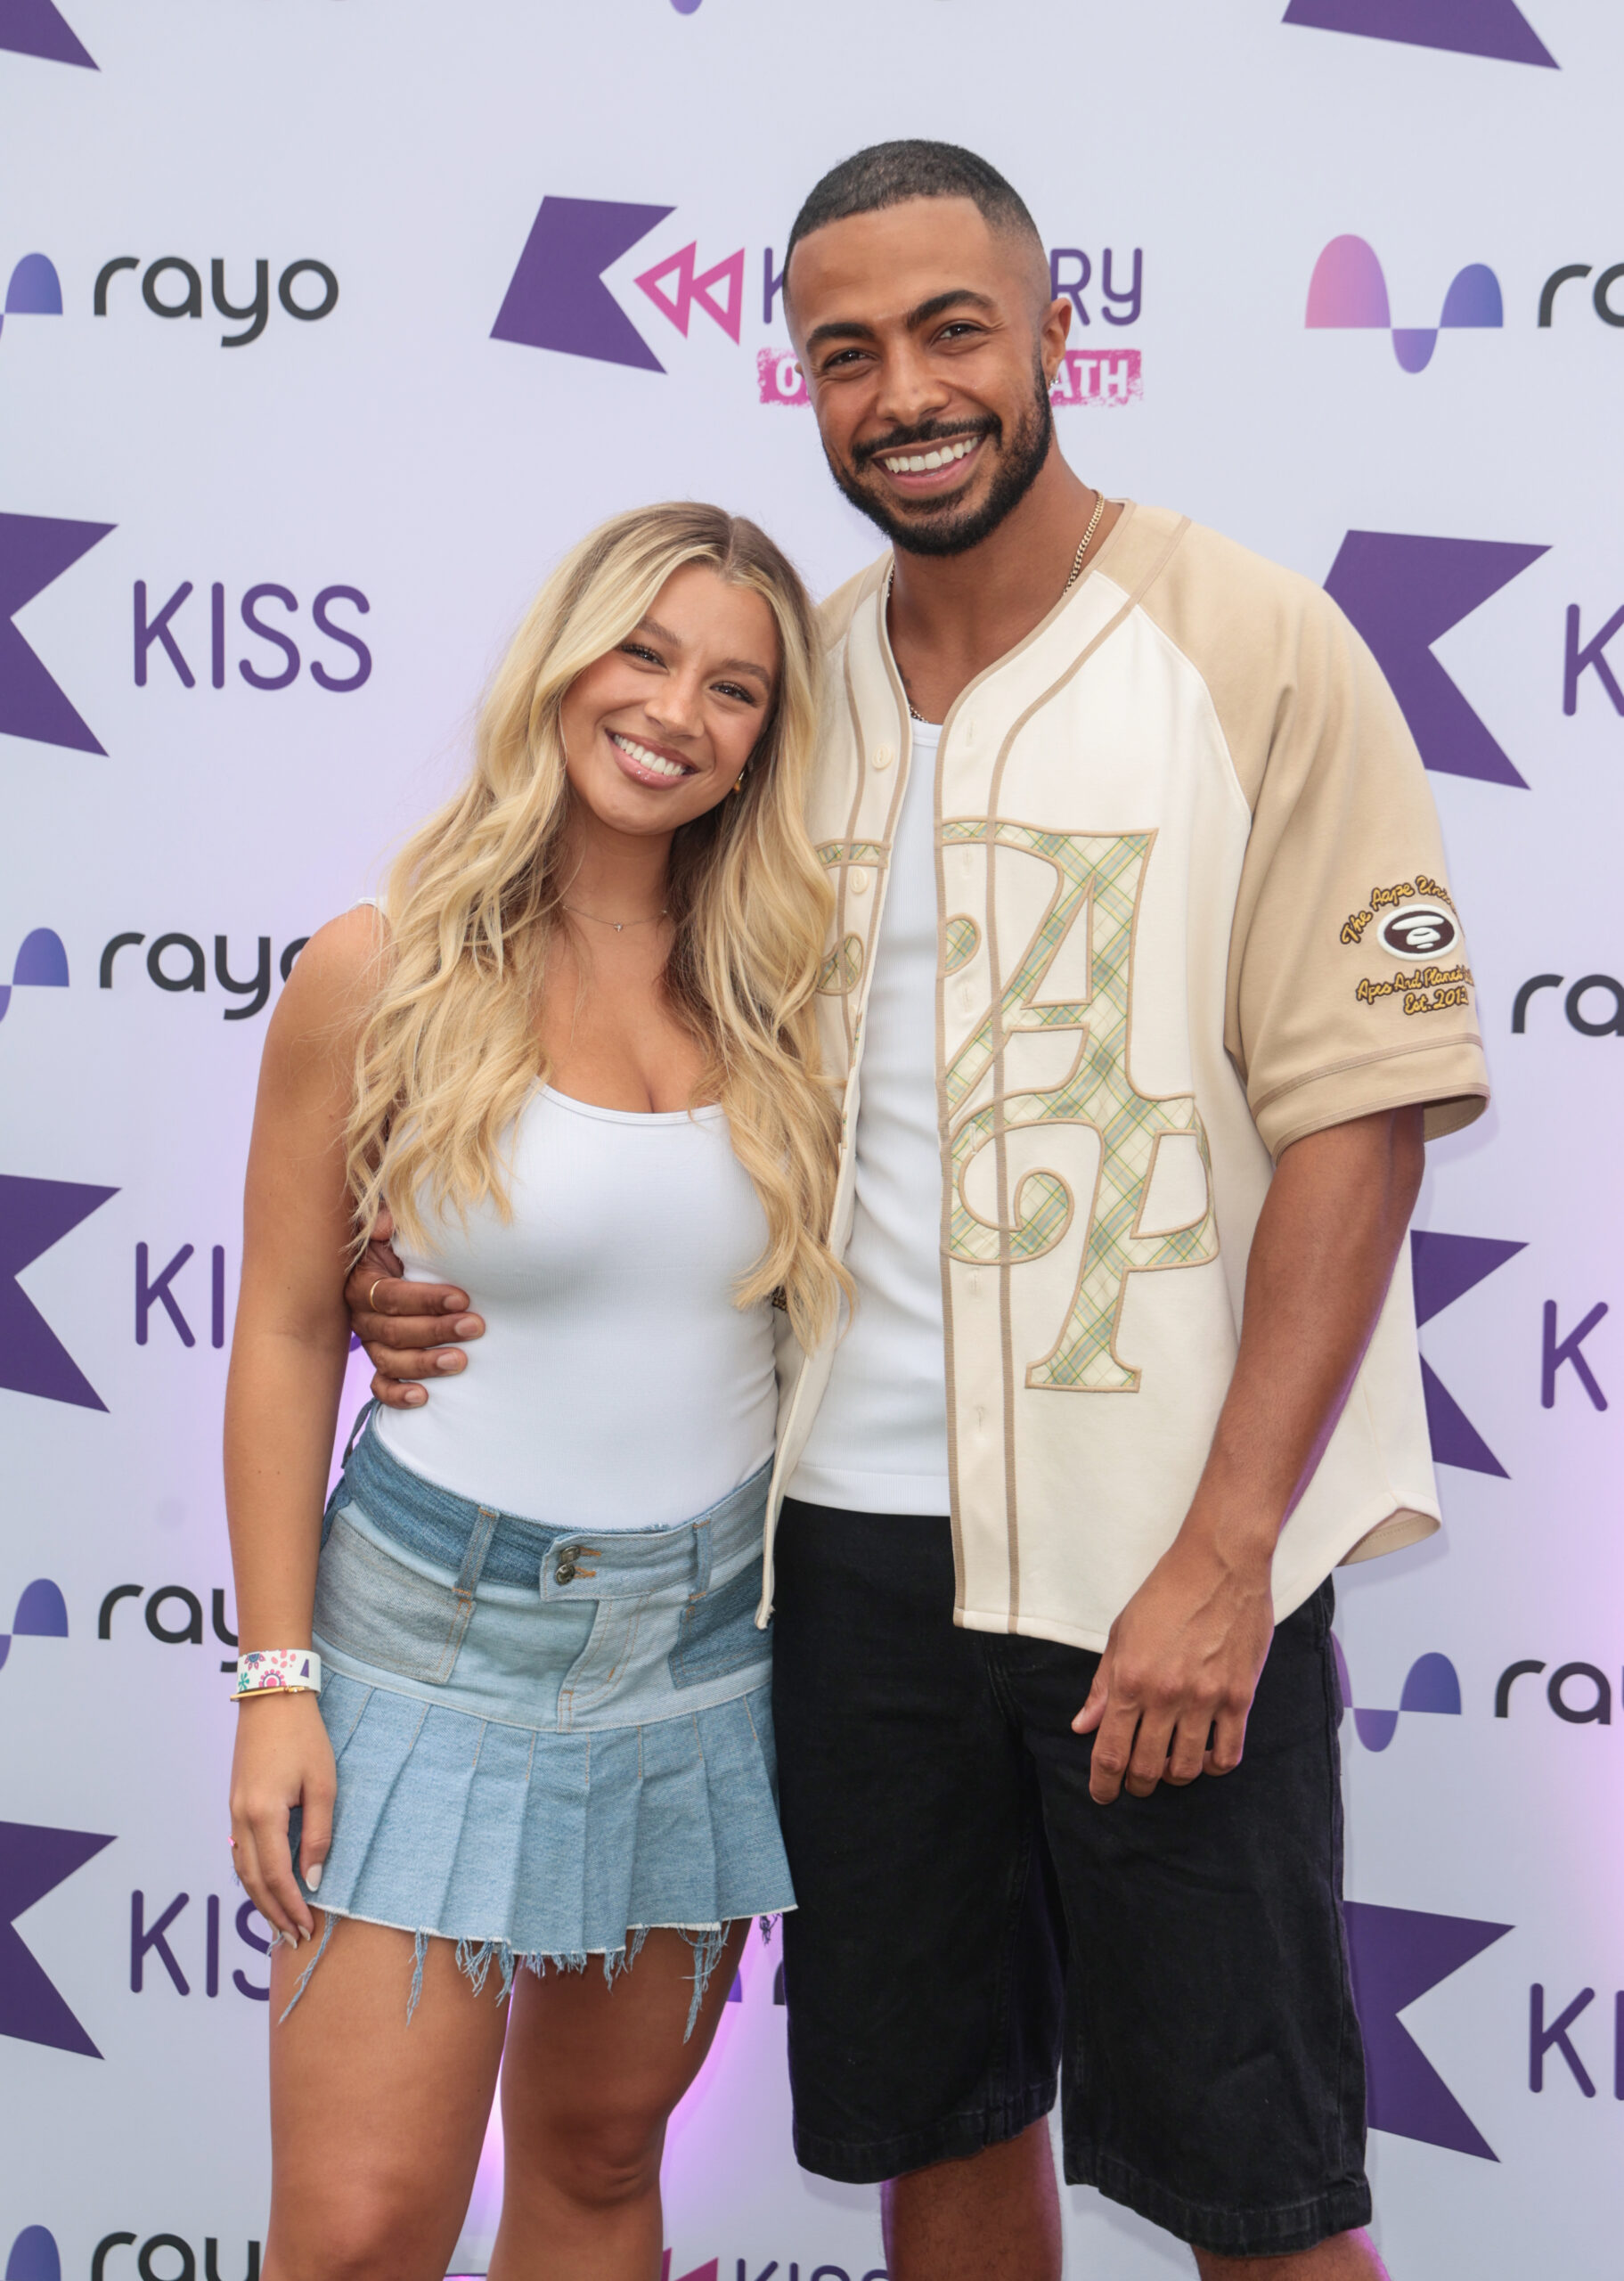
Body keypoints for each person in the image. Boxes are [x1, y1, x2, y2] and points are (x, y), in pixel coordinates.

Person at [347, 145, 1489, 2280]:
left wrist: (1230, 1551)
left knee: (1261, 2185)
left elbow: (1361, 1121)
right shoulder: (790, 692)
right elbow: (608, 1021)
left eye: (953, 331)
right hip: (842, 1569)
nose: (906, 391)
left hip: (1168, 1551)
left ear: (1055, 332)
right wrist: (399, 1254)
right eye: (846, 352)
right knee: (942, 2134)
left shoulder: (1256, 645)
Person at [224, 502, 846, 2281]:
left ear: (766, 739)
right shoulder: (381, 967)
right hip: (431, 1640)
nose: (675, 712)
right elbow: (287, 1331)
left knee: (596, 2161)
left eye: (733, 687)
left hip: (703, 1648)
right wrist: (278, 1681)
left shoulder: (792, 991)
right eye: (644, 652)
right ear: (565, 663)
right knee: (361, 2228)